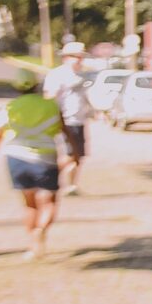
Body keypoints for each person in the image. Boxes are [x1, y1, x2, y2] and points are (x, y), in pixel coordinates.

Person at [0, 78, 65, 258]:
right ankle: (41, 230)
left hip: (16, 157)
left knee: (29, 203)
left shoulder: (10, 107)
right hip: (45, 157)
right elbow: (62, 129)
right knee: (49, 201)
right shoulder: (50, 106)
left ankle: (32, 245)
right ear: (37, 86)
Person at [40, 38, 93, 195]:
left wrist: (94, 112)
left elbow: (85, 98)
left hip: (79, 119)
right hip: (65, 120)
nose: (79, 60)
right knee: (70, 154)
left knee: (79, 156)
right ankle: (47, 175)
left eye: (81, 57)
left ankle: (72, 185)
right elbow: (50, 97)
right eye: (75, 57)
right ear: (66, 58)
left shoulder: (80, 76)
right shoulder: (58, 75)